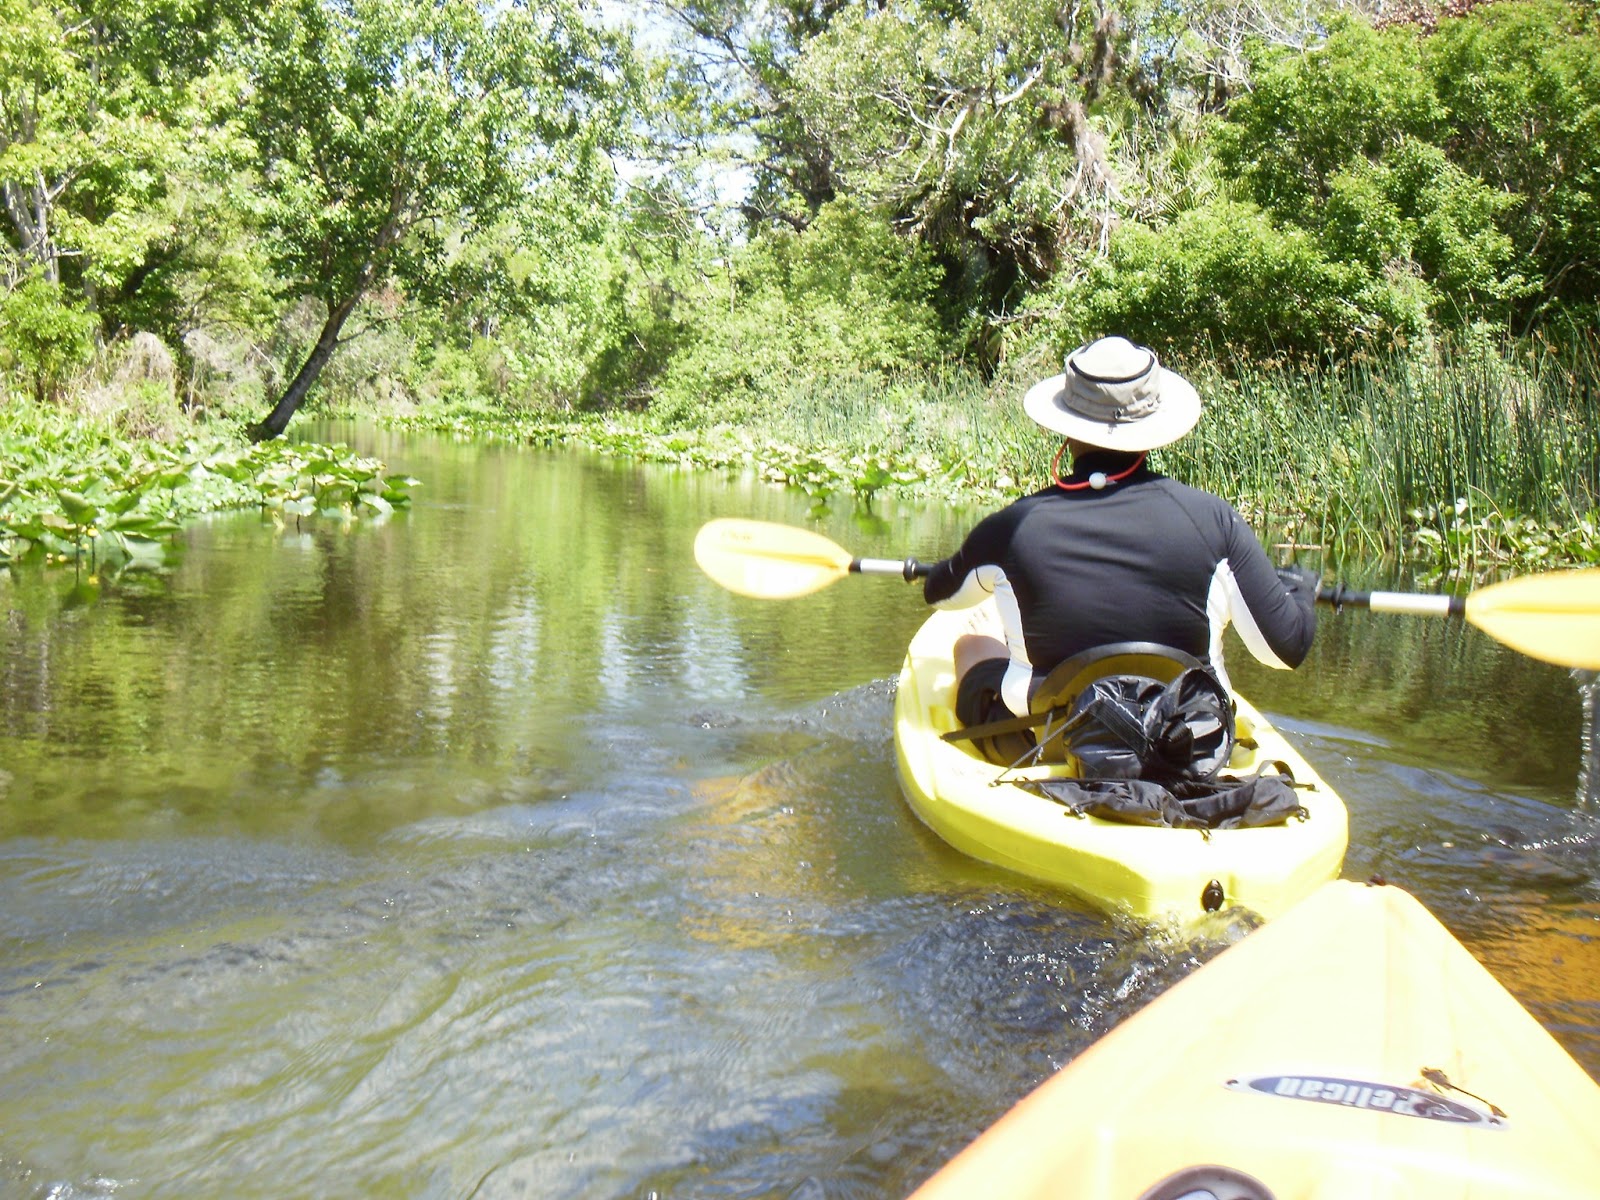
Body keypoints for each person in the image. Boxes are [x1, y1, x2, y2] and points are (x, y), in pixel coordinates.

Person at [922, 335, 1320, 735]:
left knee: (970, 645)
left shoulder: (1011, 526)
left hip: (1050, 739)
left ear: (1067, 427)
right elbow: (1283, 651)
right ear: (1150, 428)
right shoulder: (1214, 520)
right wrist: (1299, 588)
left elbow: (939, 594)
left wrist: (960, 563)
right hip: (1184, 743)